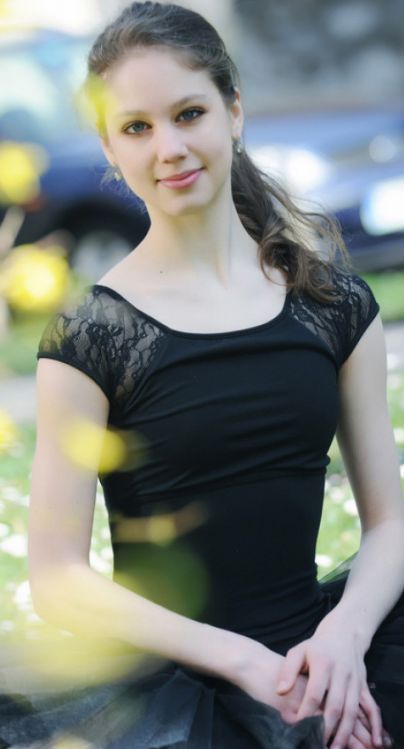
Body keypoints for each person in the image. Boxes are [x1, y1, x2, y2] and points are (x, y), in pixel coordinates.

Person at [1, 2, 404, 748]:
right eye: (137, 127)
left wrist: (343, 641)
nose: (170, 148)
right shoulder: (93, 335)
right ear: (109, 145)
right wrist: (249, 664)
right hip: (166, 696)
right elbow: (57, 578)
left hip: (329, 650)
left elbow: (391, 523)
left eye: (189, 113)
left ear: (234, 111)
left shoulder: (333, 304)